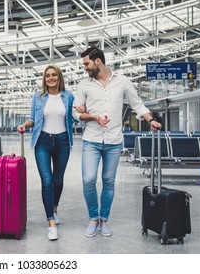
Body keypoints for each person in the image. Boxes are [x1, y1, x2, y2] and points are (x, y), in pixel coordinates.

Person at [74, 46, 162, 238]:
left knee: (108, 181)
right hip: (92, 140)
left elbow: (137, 104)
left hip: (114, 140)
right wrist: (92, 116)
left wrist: (151, 120)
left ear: (98, 61)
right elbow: (76, 113)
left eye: (87, 63)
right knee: (88, 180)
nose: (85, 68)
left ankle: (104, 220)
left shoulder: (122, 82)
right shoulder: (84, 85)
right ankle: (93, 218)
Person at [17, 64, 78, 241]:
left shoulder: (69, 96)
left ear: (59, 77)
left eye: (54, 75)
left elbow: (74, 116)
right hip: (42, 141)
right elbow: (33, 118)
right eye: (47, 76)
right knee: (47, 180)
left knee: (58, 181)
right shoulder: (38, 97)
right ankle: (51, 223)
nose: (50, 78)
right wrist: (24, 125)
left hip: (63, 142)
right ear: (44, 79)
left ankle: (54, 207)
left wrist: (82, 112)